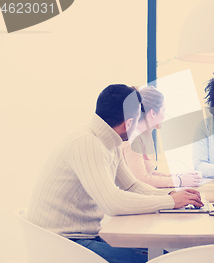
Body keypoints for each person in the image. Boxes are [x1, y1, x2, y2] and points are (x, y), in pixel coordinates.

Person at [27, 84, 203, 263]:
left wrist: (171, 195)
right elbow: (113, 203)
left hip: (80, 238)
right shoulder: (86, 143)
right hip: (61, 244)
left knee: (163, 255)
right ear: (128, 123)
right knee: (161, 259)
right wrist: (170, 201)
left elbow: (132, 185)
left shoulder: (111, 142)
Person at [121, 86, 202, 188]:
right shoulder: (133, 140)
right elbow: (141, 180)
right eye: (163, 110)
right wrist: (179, 181)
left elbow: (149, 173)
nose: (164, 115)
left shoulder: (145, 136)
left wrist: (177, 177)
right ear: (153, 113)